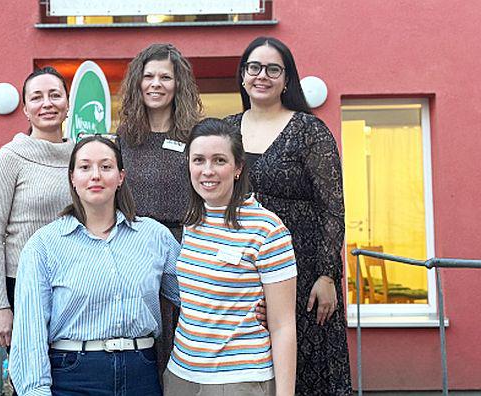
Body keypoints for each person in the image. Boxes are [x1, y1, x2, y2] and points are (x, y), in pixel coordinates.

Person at [224, 36, 352, 395]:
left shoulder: (310, 131)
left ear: (286, 79)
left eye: (273, 69)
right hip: (242, 271)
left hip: (304, 273)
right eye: (254, 67)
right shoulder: (225, 131)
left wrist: (328, 275)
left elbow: (332, 207)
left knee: (305, 372)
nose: (262, 75)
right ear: (243, 75)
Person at [10, 135, 180, 396]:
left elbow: (196, 296)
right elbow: (29, 332)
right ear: (72, 178)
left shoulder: (155, 237)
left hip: (141, 373)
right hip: (74, 375)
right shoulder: (44, 245)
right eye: (85, 167)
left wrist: (257, 306)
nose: (96, 175)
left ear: (121, 177)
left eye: (106, 166)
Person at [164, 118, 297, 396]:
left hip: (239, 380)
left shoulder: (267, 229)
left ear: (237, 168)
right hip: (181, 375)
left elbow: (283, 326)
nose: (207, 171)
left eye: (219, 160)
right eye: (198, 160)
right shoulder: (191, 223)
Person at [117, 43, 203, 375]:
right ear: (138, 83)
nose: (156, 84)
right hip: (135, 256)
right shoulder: (123, 139)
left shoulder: (196, 135)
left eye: (165, 77)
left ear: (178, 84)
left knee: (187, 348)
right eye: (149, 76)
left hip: (188, 253)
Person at [0, 66, 74, 351]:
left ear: (67, 104)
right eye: (37, 97)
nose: (47, 103)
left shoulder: (80, 157)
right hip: (22, 286)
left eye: (55, 95)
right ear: (25, 109)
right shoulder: (11, 157)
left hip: (74, 283)